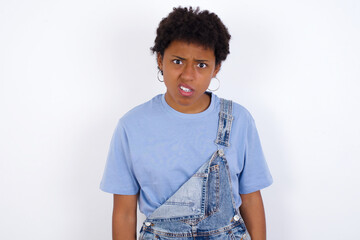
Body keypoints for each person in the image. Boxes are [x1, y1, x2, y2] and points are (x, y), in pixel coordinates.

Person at [100, 6, 273, 240]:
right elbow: (124, 213)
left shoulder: (238, 121)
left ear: (216, 68)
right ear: (160, 60)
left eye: (201, 64)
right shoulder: (131, 126)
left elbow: (251, 198)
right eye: (178, 61)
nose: (188, 75)